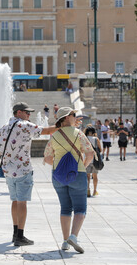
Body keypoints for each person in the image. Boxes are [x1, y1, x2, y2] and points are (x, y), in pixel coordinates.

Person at [0, 102, 58, 247]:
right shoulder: (24, 125)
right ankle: (20, 236)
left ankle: (15, 233)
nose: (29, 115)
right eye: (27, 112)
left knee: (15, 201)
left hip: (8, 171)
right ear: (18, 113)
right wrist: (64, 125)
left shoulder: (3, 128)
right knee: (22, 202)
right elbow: (47, 131)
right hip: (23, 169)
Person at [43, 107, 94, 252]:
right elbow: (90, 154)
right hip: (77, 174)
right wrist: (82, 167)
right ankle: (73, 236)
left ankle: (65, 242)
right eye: (73, 115)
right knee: (80, 209)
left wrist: (60, 165)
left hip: (58, 176)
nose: (75, 117)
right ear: (66, 117)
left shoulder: (54, 136)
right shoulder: (79, 134)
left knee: (65, 208)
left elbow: (46, 158)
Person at [84, 126, 102, 197]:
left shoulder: (85, 139)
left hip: (87, 159)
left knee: (87, 176)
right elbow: (100, 149)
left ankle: (88, 189)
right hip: (95, 160)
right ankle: (95, 191)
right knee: (95, 176)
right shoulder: (96, 139)